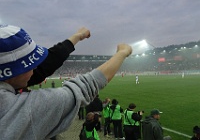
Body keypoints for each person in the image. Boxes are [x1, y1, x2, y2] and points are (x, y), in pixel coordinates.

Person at [0, 24, 132, 140]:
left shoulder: (9, 78)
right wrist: (122, 53)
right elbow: (85, 86)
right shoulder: (18, 111)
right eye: (31, 64)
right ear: (13, 71)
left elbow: (46, 65)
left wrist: (77, 37)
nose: (35, 68)